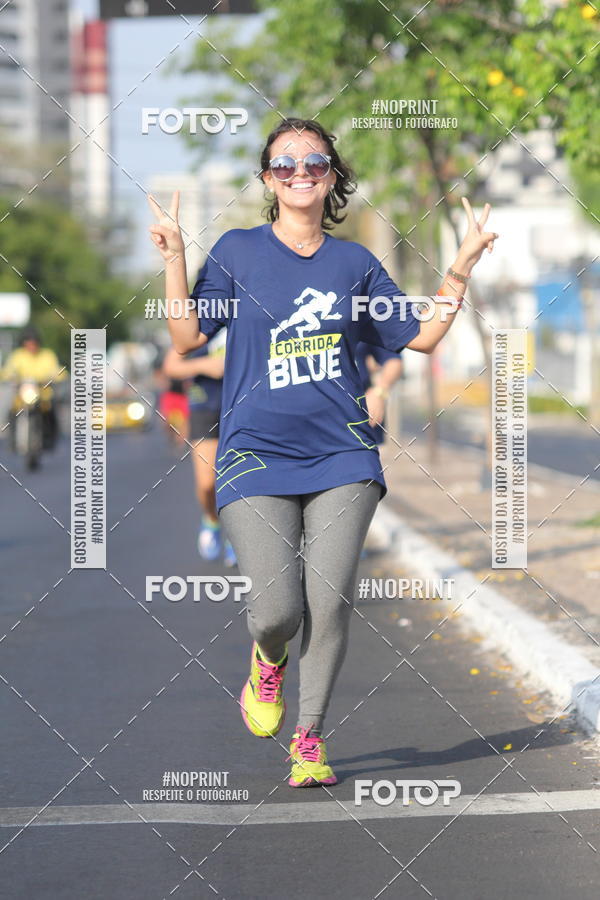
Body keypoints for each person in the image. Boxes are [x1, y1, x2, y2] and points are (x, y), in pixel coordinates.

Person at [147, 117, 498, 788]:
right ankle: (267, 657)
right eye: (285, 164)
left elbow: (420, 337)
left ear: (332, 175)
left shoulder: (355, 264)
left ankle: (309, 739)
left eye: (314, 162)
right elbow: (188, 337)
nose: (300, 172)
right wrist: (172, 257)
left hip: (343, 455)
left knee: (330, 601)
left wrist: (460, 266)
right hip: (254, 452)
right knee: (276, 609)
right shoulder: (236, 252)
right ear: (267, 179)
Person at [162, 332, 236, 566]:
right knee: (207, 484)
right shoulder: (204, 319)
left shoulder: (249, 308)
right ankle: (211, 519)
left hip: (243, 404)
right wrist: (206, 365)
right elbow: (171, 366)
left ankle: (237, 538)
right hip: (205, 406)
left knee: (240, 479)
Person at [1, 326, 66, 449]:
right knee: (11, 411)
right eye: (28, 343)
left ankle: (50, 438)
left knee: (52, 411)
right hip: (22, 395)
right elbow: (9, 370)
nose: (31, 346)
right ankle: (12, 441)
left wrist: (56, 376)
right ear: (24, 343)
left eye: (34, 343)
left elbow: (57, 371)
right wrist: (9, 377)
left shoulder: (47, 355)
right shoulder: (18, 356)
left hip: (43, 395)